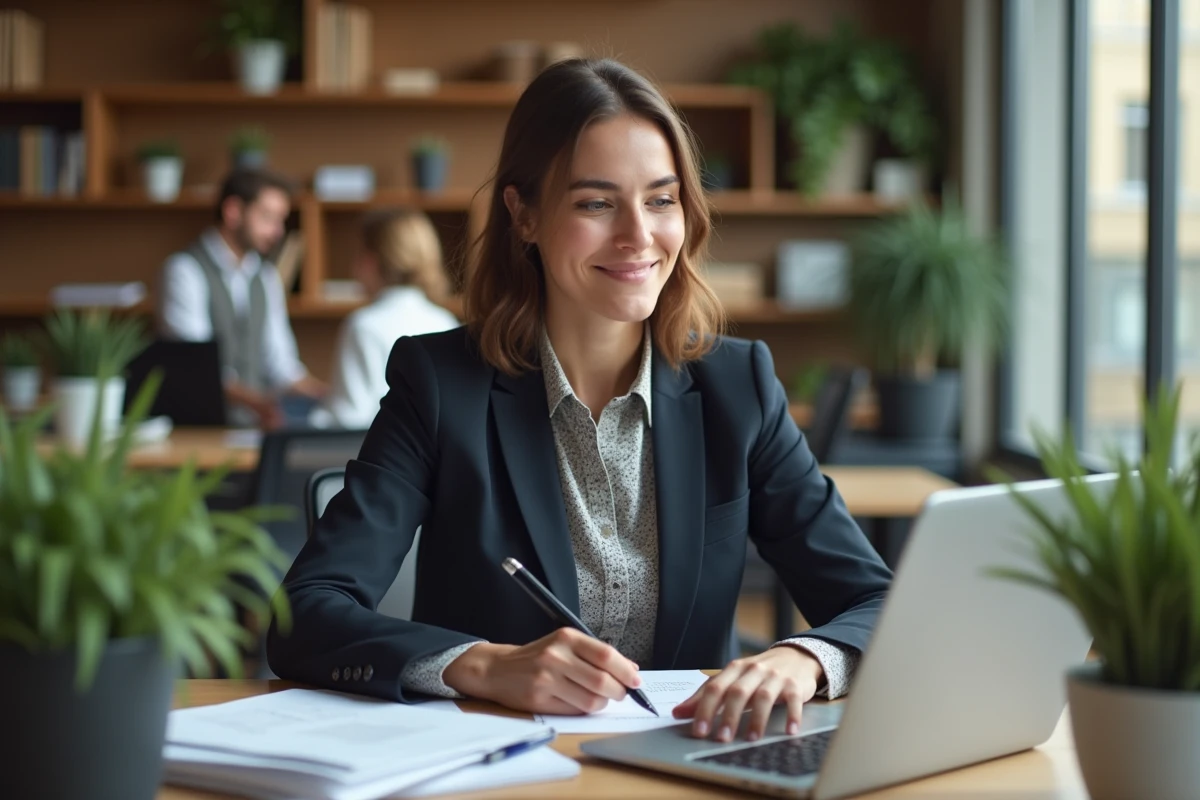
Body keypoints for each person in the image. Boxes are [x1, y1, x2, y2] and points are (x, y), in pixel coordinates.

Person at [267, 58, 892, 745]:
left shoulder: (737, 386)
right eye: (596, 203)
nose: (638, 235)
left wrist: (803, 658)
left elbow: (879, 600)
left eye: (661, 199)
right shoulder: (441, 384)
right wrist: (482, 666)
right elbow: (307, 612)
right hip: (499, 773)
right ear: (524, 214)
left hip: (687, 769)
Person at [157, 168, 328, 429]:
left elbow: (282, 364)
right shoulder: (185, 271)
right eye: (268, 217)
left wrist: (325, 394)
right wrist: (259, 403)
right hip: (201, 430)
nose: (278, 231)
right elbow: (198, 369)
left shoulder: (266, 276)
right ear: (233, 211)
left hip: (255, 428)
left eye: (280, 220)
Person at [310, 208, 459, 429]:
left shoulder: (363, 326)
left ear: (370, 261)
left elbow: (350, 418)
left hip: (377, 457)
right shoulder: (446, 322)